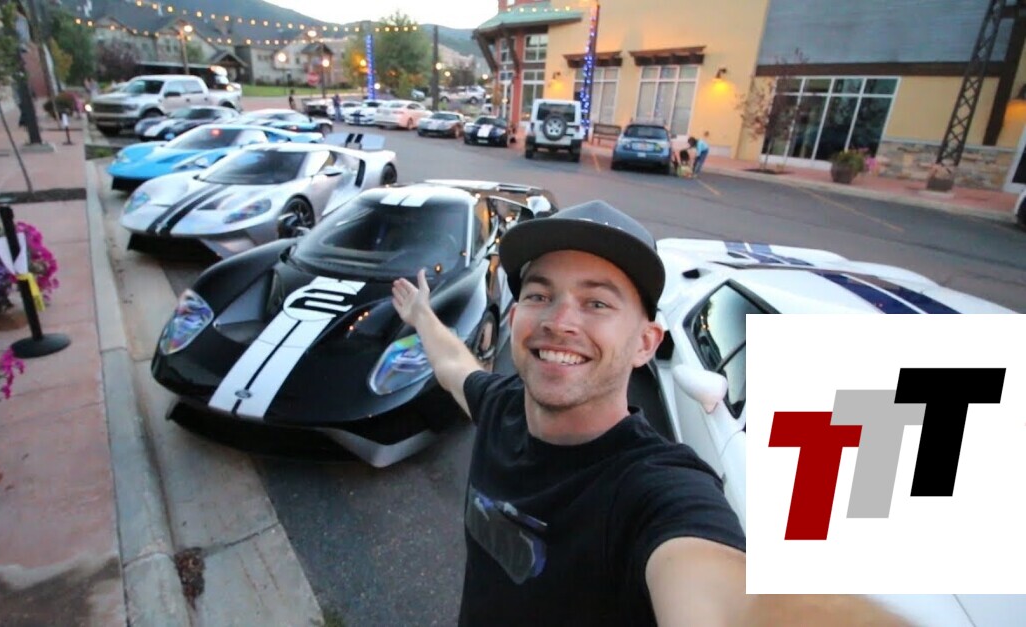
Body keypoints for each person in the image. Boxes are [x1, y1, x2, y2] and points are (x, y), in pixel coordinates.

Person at [390, 201, 911, 626]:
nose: (559, 320)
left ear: (646, 342)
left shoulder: (656, 492)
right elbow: (455, 365)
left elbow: (721, 593)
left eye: (597, 303)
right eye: (539, 294)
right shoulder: (501, 406)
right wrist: (420, 314)